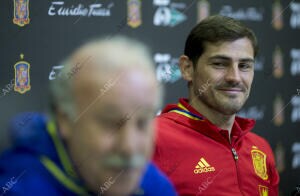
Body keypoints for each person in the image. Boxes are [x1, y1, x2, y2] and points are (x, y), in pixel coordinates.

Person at [0, 36, 176, 196]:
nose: (129, 147)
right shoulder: (18, 188)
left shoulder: (154, 184)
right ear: (65, 120)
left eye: (143, 123)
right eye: (111, 124)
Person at [153, 15, 280, 195]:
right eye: (220, 64)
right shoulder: (151, 140)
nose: (235, 77)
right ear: (187, 68)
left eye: (244, 66)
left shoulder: (260, 148)